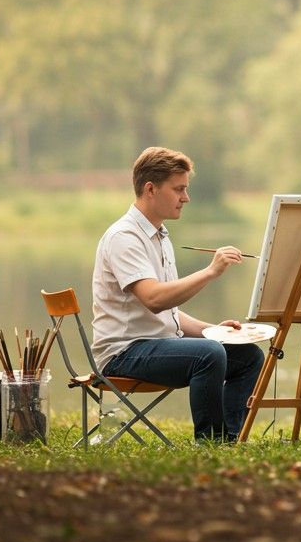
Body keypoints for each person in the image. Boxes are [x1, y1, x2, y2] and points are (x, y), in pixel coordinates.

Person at [91, 147, 261, 442]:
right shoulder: (124, 237)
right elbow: (155, 299)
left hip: (156, 344)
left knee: (248, 356)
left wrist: (213, 331)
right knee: (209, 354)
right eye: (178, 189)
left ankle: (230, 438)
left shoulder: (159, 235)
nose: (186, 197)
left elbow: (168, 313)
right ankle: (210, 442)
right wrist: (211, 271)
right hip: (123, 354)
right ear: (150, 189)